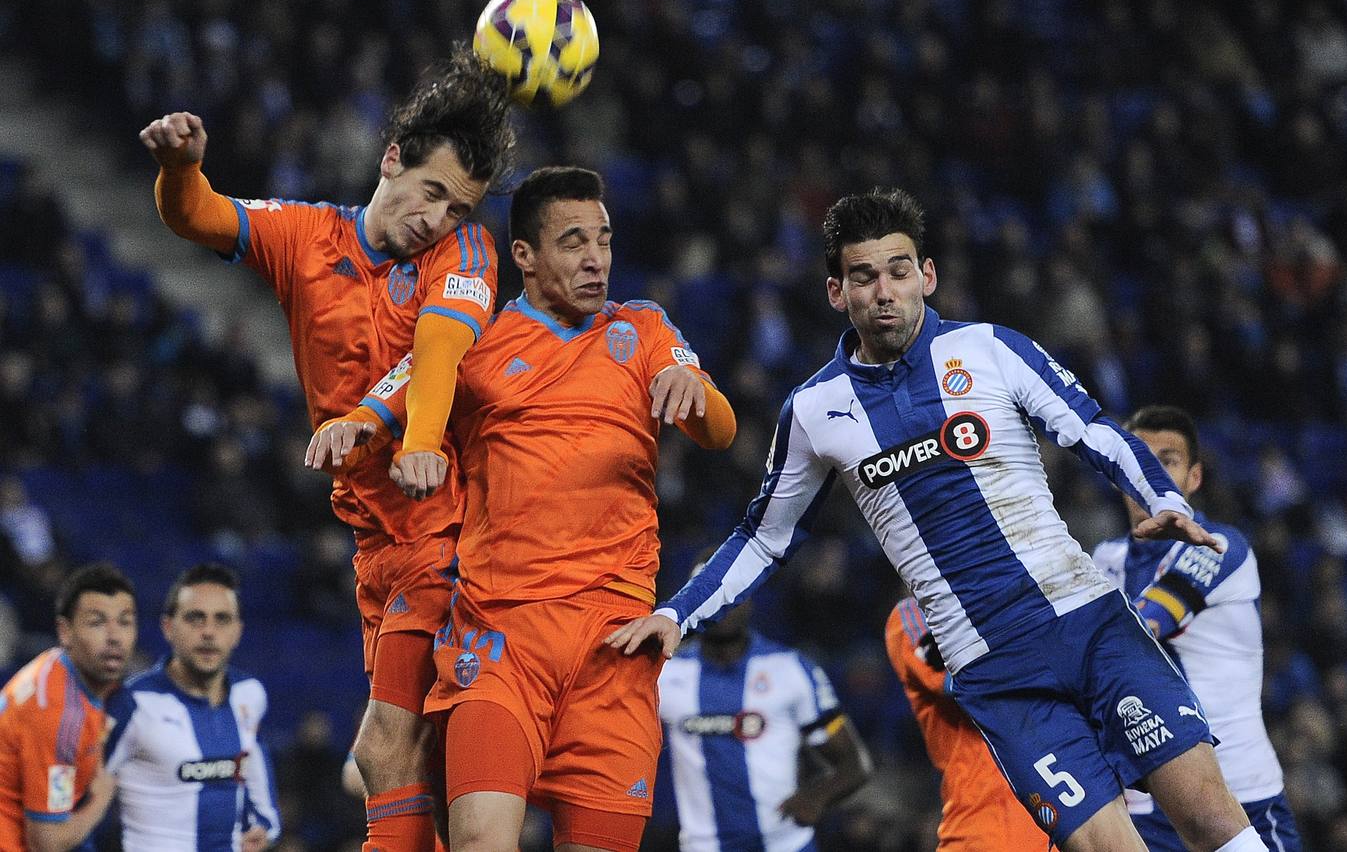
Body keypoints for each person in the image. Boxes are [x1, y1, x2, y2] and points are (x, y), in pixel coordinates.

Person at [606, 187, 1271, 852]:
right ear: (837, 291)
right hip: (996, 673)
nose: (885, 291)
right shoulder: (814, 410)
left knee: (1210, 817)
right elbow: (764, 536)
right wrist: (675, 614)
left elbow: (1091, 427)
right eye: (864, 277)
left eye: (899, 270)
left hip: (1089, 623)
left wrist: (1165, 499)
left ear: (927, 275)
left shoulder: (991, 349)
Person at [139, 44, 515, 852]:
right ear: (391, 160)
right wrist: (181, 168)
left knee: (386, 750)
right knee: (404, 764)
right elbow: (196, 215)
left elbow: (440, 351)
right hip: (376, 537)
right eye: (434, 194)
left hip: (453, 528)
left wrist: (415, 440)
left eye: (458, 208)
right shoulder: (304, 237)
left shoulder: (468, 256)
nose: (439, 220)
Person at [339, 166, 738, 851]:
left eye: (604, 240)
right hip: (502, 639)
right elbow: (399, 390)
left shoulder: (643, 331)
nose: (596, 259)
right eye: (573, 241)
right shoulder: (477, 345)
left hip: (614, 648)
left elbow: (721, 432)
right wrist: (363, 423)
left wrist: (692, 388)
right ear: (524, 256)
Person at [1091, 405, 1302, 851]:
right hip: (1150, 808)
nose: (1151, 474)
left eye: (1167, 461)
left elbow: (1142, 626)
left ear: (1194, 478)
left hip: (1241, 795)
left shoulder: (1221, 547)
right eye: (1138, 460)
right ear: (1119, 474)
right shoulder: (1101, 559)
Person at [659, 551, 870, 852]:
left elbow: (854, 764)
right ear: (692, 599)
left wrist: (817, 796)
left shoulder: (791, 670)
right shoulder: (665, 676)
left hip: (786, 845)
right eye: (711, 592)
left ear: (750, 597)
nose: (723, 603)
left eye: (733, 590)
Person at [105, 563, 280, 850]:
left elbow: (259, 788)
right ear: (168, 628)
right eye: (195, 619)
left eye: (222, 619)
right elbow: (79, 800)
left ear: (237, 631)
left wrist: (263, 829)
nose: (209, 632)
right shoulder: (131, 703)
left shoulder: (250, 694)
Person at [885, 596, 1057, 850]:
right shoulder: (915, 613)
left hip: (1057, 820)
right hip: (984, 825)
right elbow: (964, 679)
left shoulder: (1025, 594)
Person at [0, 563, 136, 851]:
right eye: (97, 622)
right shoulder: (59, 716)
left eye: (124, 622)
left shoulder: (63, 667)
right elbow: (46, 844)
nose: (114, 637)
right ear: (65, 632)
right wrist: (102, 796)